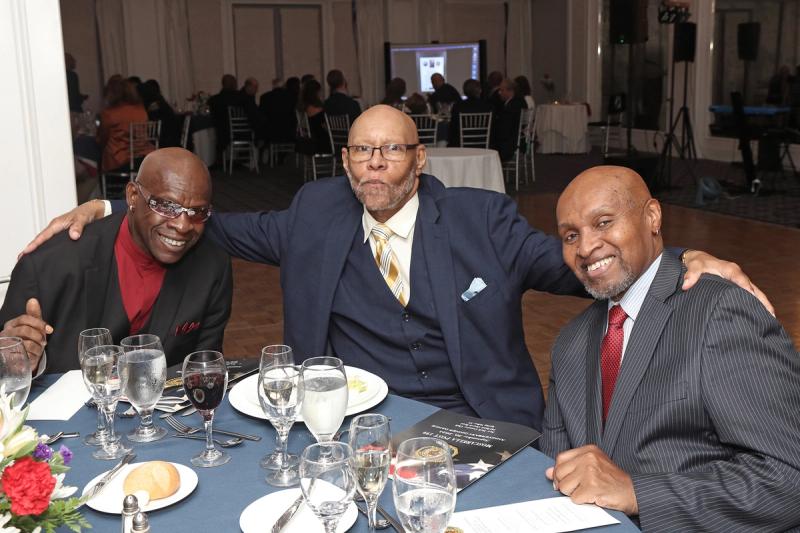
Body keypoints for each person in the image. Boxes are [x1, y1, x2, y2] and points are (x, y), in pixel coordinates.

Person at [23, 107, 771, 430]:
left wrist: (679, 258)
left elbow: (587, 261)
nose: (374, 163)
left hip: (480, 421)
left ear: (420, 160)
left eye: (391, 150)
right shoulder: (315, 213)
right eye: (361, 150)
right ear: (346, 160)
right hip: (354, 421)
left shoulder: (482, 219)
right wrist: (109, 207)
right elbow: (200, 219)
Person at [542, 166, 800, 531]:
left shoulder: (719, 312)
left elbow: (789, 476)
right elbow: (555, 470)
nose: (585, 248)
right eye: (571, 235)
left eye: (603, 222)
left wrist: (639, 494)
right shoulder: (571, 342)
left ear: (652, 217)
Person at [1, 148, 232, 374]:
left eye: (197, 212)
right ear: (133, 196)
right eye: (166, 206)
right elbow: (8, 367)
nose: (182, 226)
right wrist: (16, 362)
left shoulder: (212, 268)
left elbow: (206, 370)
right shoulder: (48, 266)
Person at [96, 77, 153, 173]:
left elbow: (102, 138)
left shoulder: (109, 114)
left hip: (119, 161)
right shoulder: (140, 109)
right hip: (144, 157)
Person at [208, 74, 244, 160]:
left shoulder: (214, 100)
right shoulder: (241, 98)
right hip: (239, 132)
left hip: (221, 133)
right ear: (234, 84)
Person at [491, 78, 528, 161]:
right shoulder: (520, 101)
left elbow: (505, 127)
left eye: (502, 90)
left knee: (489, 141)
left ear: (510, 91)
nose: (499, 93)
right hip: (519, 139)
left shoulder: (512, 106)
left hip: (510, 142)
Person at [448, 79, 492, 147]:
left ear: (464, 91)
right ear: (480, 90)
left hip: (461, 143)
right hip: (483, 142)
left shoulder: (458, 106)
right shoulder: (488, 106)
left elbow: (453, 127)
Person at [297, 79, 330, 154]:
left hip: (309, 140)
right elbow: (324, 126)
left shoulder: (303, 106)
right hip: (320, 142)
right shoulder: (317, 109)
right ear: (316, 92)